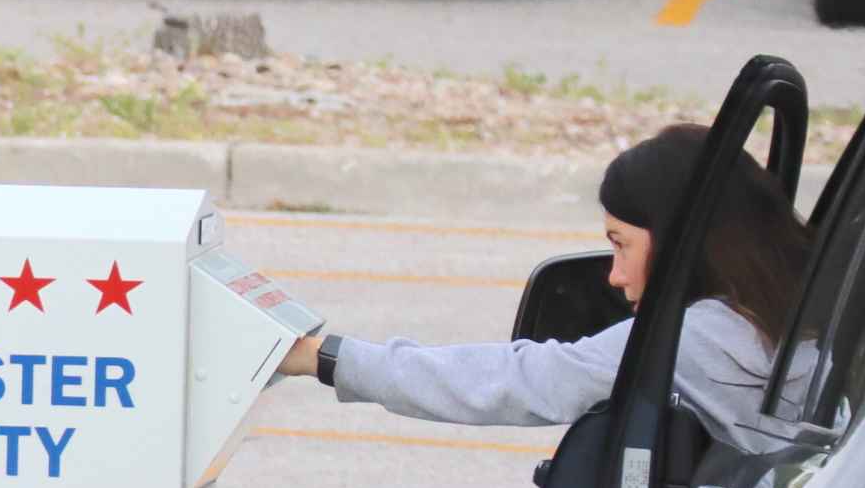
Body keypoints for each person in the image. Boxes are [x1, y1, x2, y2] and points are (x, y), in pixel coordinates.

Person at [278, 124, 816, 451]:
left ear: (680, 242)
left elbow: (513, 382)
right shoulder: (807, 311)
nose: (615, 275)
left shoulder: (695, 342)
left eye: (621, 244)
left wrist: (319, 357)